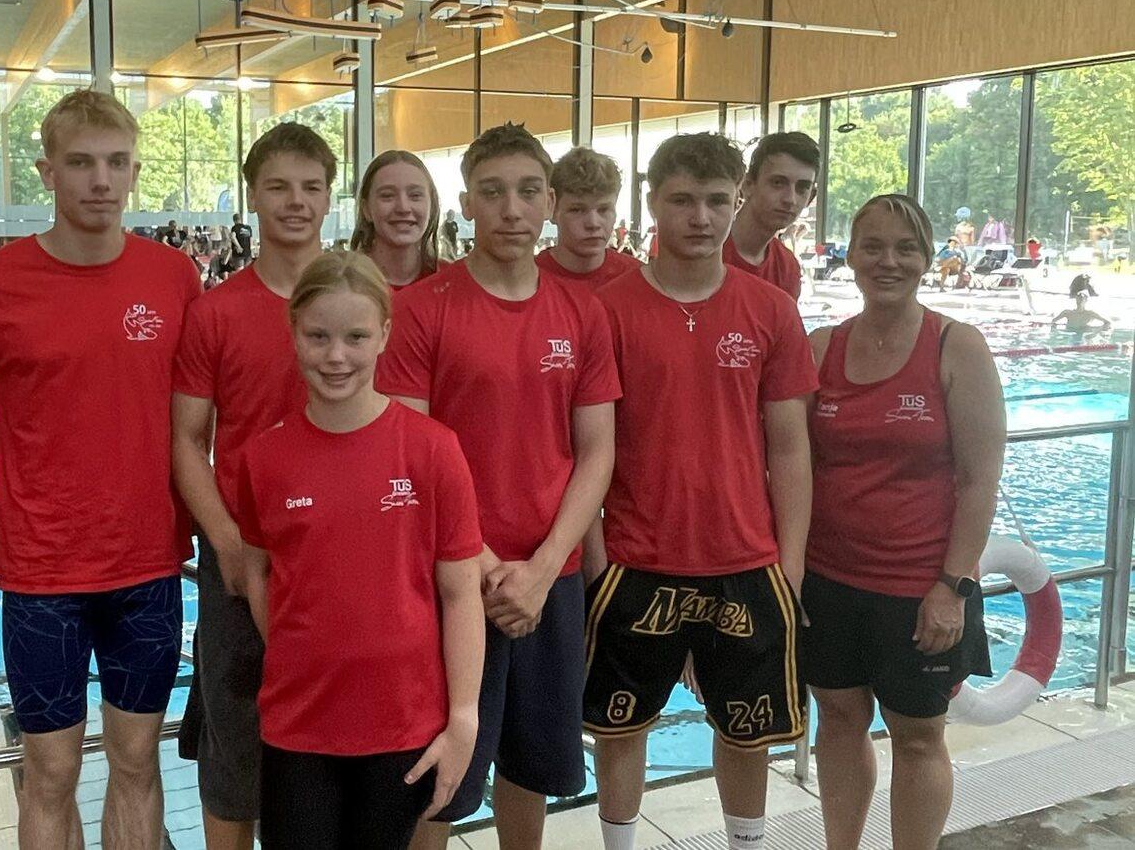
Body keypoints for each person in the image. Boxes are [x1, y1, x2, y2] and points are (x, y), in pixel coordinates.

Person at [0, 90, 200, 850]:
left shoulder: (173, 277)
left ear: (136, 171)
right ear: (47, 172)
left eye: (116, 163)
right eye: (80, 163)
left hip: (147, 558)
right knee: (48, 770)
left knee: (138, 760)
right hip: (42, 567)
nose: (100, 180)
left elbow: (202, 408)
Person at [379, 123, 619, 850]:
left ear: (549, 200)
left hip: (551, 577)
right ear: (466, 205)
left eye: (526, 192)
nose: (511, 209)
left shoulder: (582, 312)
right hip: (450, 579)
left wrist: (543, 570)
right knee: (439, 773)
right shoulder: (423, 309)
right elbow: (408, 456)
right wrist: (487, 569)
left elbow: (598, 450)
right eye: (492, 193)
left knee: (534, 767)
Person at [585, 133, 816, 850]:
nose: (701, 217)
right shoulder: (607, 311)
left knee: (745, 732)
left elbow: (790, 446)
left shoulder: (771, 310)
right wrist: (596, 560)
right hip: (634, 557)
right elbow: (585, 449)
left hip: (745, 558)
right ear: (651, 203)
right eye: (682, 200)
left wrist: (793, 561)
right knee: (623, 729)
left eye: (718, 201)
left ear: (736, 201)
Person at [239, 251, 485, 849]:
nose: (336, 355)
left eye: (355, 336)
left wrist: (463, 720)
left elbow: (460, 594)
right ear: (293, 334)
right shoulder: (264, 459)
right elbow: (258, 574)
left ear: (384, 337)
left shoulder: (432, 451)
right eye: (318, 336)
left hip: (403, 723)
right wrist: (309, 655)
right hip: (299, 727)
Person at [804, 194, 1003, 850]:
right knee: (838, 720)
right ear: (850, 255)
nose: (887, 261)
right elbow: (784, 464)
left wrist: (952, 586)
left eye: (905, 249)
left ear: (927, 258)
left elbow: (979, 481)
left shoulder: (957, 347)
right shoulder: (821, 347)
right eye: (872, 247)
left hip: (921, 587)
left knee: (918, 736)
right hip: (828, 580)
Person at [172, 122, 335, 850]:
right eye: (279, 187)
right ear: (253, 196)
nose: (295, 203)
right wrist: (229, 544)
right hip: (243, 554)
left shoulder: (363, 304)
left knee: (339, 742)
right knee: (237, 745)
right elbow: (186, 440)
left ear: (332, 196)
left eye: (311, 187)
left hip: (343, 553)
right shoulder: (216, 314)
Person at [724, 131, 819, 300]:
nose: (790, 199)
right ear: (747, 185)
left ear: (811, 197)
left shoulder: (788, 267)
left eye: (802, 188)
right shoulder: (706, 251)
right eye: (778, 183)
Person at [536, 146, 639, 289]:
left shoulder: (637, 279)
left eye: (604, 209)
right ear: (552, 210)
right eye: (577, 210)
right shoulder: (529, 280)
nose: (593, 223)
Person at [348, 150, 442, 290]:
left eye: (415, 195)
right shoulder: (344, 280)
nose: (403, 208)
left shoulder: (450, 281)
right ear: (366, 209)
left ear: (432, 206)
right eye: (387, 196)